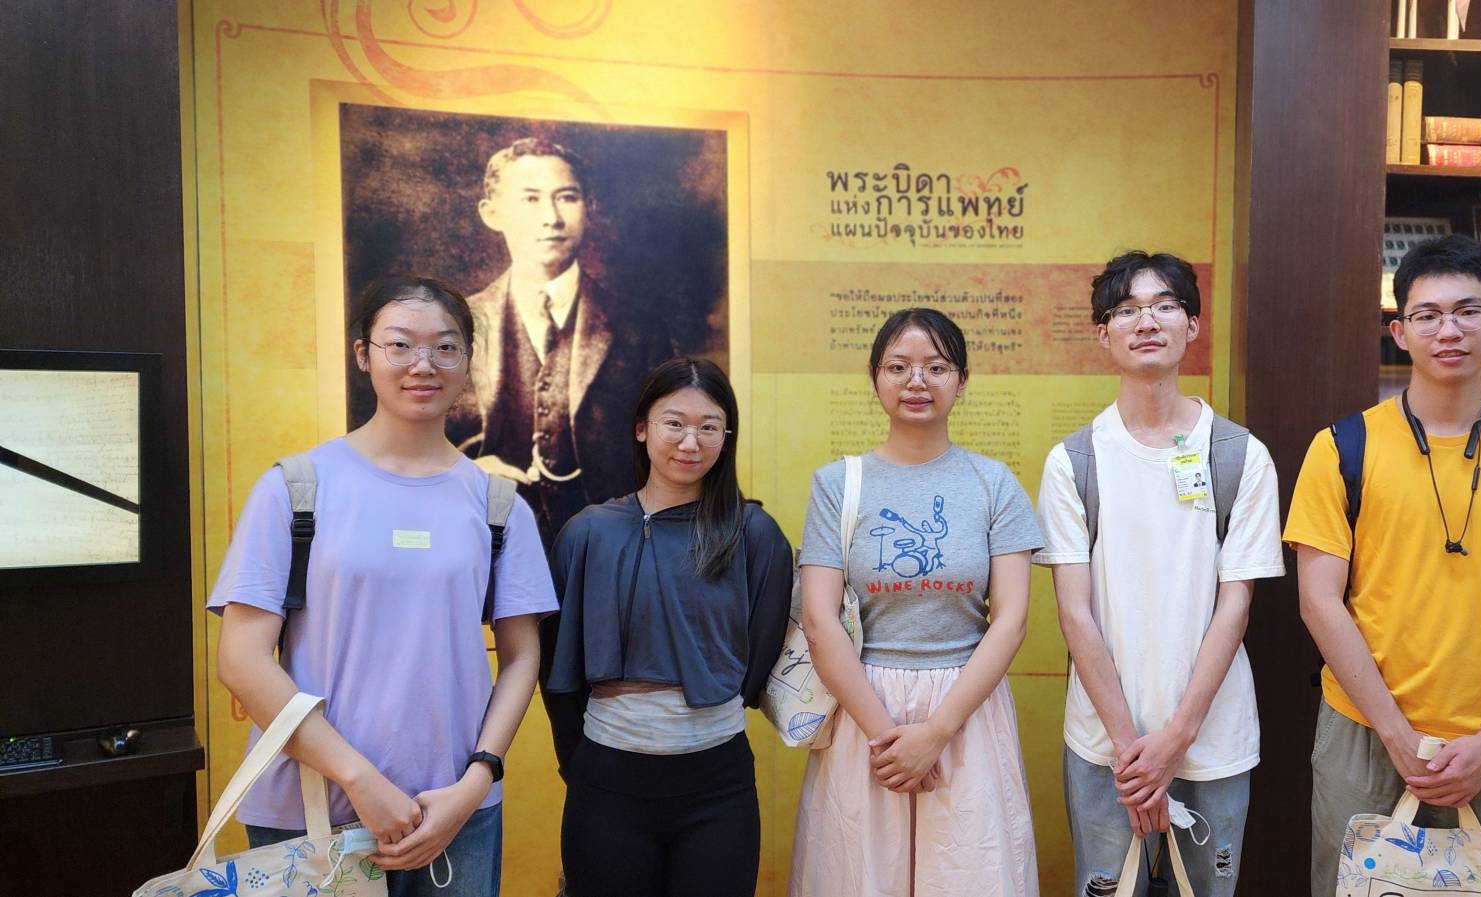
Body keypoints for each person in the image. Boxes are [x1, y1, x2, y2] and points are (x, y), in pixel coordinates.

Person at [209, 275, 558, 897]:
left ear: (467, 360)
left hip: (453, 811)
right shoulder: (295, 488)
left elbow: (521, 658)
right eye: (400, 344)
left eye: (445, 347)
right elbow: (241, 660)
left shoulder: (499, 505)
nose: (423, 364)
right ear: (363, 354)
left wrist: (477, 780)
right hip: (309, 809)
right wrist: (359, 779)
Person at [1286, 235, 1481, 897]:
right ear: (1399, 332)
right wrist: (1397, 734)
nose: (1448, 331)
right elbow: (1319, 601)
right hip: (1366, 736)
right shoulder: (1341, 448)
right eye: (1427, 315)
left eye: (1467, 311)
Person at [1036, 251, 1285, 896]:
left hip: (1212, 741)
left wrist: (1176, 740)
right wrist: (1132, 754)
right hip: (1104, 746)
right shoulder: (1074, 462)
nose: (1146, 322)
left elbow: (1235, 606)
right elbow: (1074, 613)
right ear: (1103, 334)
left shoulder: (1240, 456)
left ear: (1192, 325)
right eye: (1126, 311)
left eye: (1165, 306)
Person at [787, 308, 1044, 897]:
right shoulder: (837, 484)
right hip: (863, 709)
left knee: (969, 878)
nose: (917, 381)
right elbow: (820, 621)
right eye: (898, 367)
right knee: (859, 878)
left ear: (962, 381)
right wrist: (887, 738)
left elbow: (1010, 621)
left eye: (937, 367)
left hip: (965, 710)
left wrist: (935, 733)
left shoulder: (994, 484)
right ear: (875, 378)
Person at [542, 357, 793, 897]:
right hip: (606, 780)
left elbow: (761, 656)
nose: (690, 442)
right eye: (674, 423)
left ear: (727, 437)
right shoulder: (587, 533)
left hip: (718, 782)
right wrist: (580, 765)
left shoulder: (753, 533)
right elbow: (557, 669)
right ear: (642, 428)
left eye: (709, 427)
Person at [453, 137, 670, 545]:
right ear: (491, 213)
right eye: (531, 199)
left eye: (566, 198)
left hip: (609, 552)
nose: (551, 218)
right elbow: (413, 449)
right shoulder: (457, 325)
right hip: (485, 549)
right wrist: (462, 475)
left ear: (590, 208)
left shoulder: (639, 329)